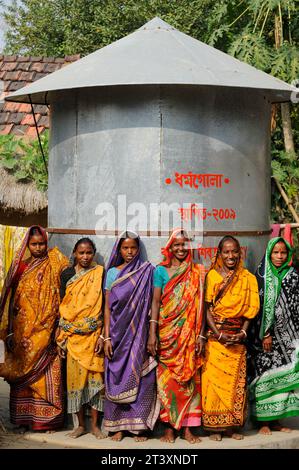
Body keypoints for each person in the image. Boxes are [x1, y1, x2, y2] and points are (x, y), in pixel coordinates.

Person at [0, 225, 69, 431]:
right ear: (27, 245)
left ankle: (47, 421)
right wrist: (10, 329)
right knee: (21, 375)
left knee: (48, 374)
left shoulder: (56, 262)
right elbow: (11, 301)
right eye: (34, 244)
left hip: (48, 330)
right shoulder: (21, 267)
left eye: (41, 243)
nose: (38, 247)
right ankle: (23, 420)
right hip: (23, 334)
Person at [147, 228, 205, 444]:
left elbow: (200, 307)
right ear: (169, 248)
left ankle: (188, 428)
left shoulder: (197, 271)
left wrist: (200, 335)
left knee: (190, 381)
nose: (181, 249)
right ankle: (169, 428)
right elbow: (155, 302)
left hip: (189, 336)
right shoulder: (160, 271)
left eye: (184, 244)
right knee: (167, 382)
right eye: (176, 245)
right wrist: (152, 333)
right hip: (167, 333)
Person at [201, 235, 260, 441]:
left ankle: (231, 427)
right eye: (226, 252)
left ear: (240, 253)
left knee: (235, 384)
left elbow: (250, 311)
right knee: (213, 384)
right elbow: (206, 309)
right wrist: (217, 334)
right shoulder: (213, 277)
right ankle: (214, 428)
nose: (231, 255)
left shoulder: (248, 278)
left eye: (234, 251)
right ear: (219, 254)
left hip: (237, 338)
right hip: (216, 338)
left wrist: (243, 333)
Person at [103, 231, 159, 442]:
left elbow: (153, 303)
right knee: (116, 379)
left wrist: (152, 333)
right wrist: (107, 337)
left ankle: (139, 428)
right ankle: (118, 427)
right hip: (117, 336)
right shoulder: (111, 274)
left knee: (143, 377)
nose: (129, 252)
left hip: (139, 334)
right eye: (125, 248)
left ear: (138, 249)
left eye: (133, 248)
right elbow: (107, 308)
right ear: (119, 250)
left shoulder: (146, 271)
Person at [248, 237, 299, 434]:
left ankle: (276, 420)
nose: (279, 256)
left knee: (284, 380)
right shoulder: (260, 275)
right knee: (264, 378)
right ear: (269, 253)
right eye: (275, 252)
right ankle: (263, 423)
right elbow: (256, 307)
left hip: (289, 339)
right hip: (265, 339)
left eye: (283, 253)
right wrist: (266, 333)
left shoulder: (293, 275)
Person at [56, 238, 106, 439]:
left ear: (93, 254)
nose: (85, 257)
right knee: (75, 382)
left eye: (88, 253)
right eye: (81, 253)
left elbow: (103, 306)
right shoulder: (67, 274)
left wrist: (103, 334)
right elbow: (63, 305)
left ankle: (95, 425)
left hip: (93, 335)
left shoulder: (99, 273)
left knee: (95, 381)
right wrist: (61, 336)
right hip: (72, 336)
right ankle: (80, 426)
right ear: (75, 254)